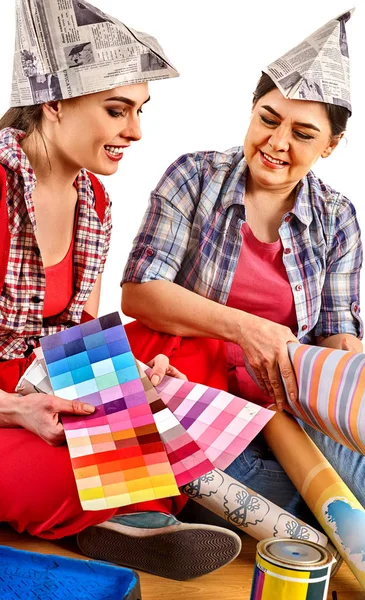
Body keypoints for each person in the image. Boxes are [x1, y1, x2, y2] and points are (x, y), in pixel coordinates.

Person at [121, 12, 365, 544]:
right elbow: (141, 292)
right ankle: (315, 507)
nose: (277, 141)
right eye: (268, 119)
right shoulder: (192, 178)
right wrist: (248, 329)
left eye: (303, 133)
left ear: (329, 145)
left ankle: (268, 507)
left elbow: (338, 334)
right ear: (252, 111)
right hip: (202, 398)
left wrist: (346, 399)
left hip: (294, 406)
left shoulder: (337, 216)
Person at [0, 0, 241, 582]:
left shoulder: (95, 202)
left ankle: (125, 511)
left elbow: (73, 338)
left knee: (191, 355)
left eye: (139, 111)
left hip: (31, 375)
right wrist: (18, 410)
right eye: (117, 110)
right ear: (53, 102)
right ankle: (135, 509)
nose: (135, 131)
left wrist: (129, 378)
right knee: (75, 467)